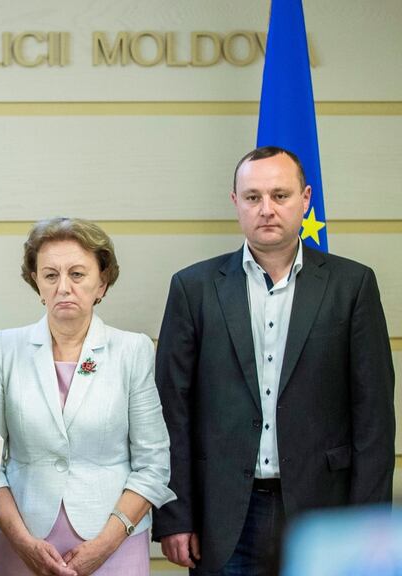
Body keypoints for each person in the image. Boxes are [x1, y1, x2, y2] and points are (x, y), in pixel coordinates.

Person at [152, 146, 395, 575]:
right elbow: (173, 412)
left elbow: (373, 415)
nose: (266, 209)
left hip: (325, 512)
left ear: (305, 199)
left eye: (280, 196)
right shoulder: (194, 288)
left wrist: (368, 524)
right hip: (223, 516)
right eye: (253, 197)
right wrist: (176, 515)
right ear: (235, 203)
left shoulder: (352, 285)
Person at [0, 217, 175, 576]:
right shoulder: (4, 349)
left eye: (77, 274)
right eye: (50, 275)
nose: (63, 287)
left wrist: (104, 546)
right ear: (36, 282)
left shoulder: (132, 350)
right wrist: (23, 542)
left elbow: (153, 464)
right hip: (21, 543)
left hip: (114, 541)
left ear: (102, 283)